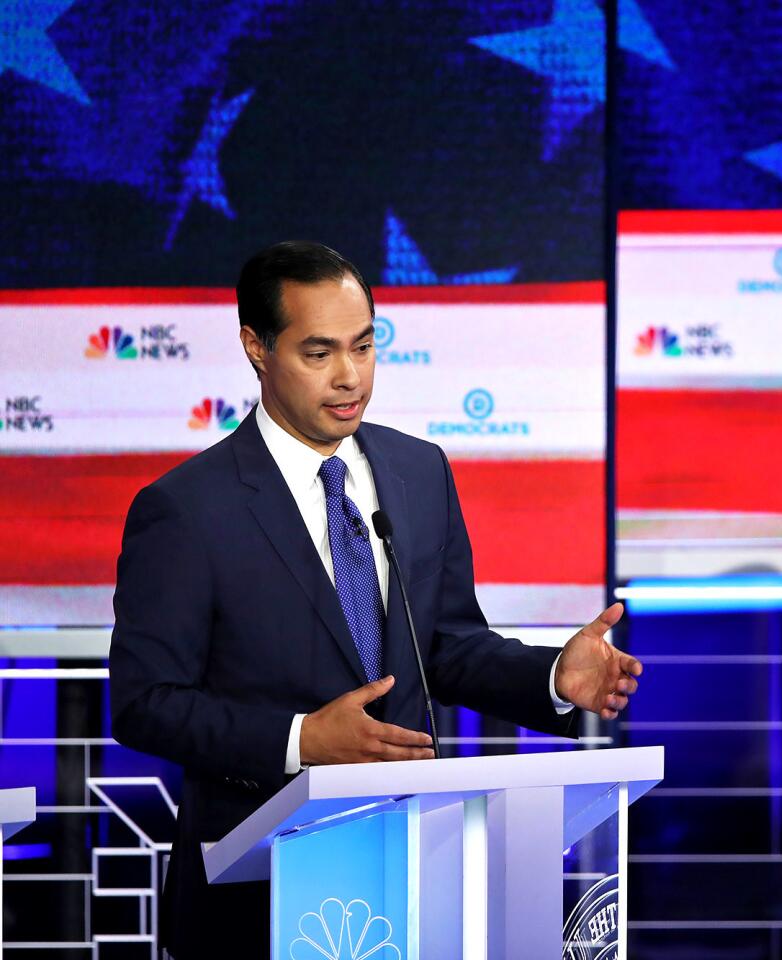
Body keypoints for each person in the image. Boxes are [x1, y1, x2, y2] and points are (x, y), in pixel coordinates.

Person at [109, 241, 641, 958]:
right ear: (255, 349)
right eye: (319, 352)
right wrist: (302, 741)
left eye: (364, 346)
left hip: (416, 878)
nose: (349, 376)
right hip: (254, 902)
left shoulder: (419, 471)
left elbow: (445, 649)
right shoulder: (186, 510)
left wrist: (550, 676)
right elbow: (145, 702)